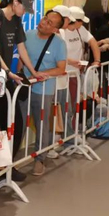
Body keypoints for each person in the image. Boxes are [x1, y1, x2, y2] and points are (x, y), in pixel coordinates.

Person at [0, 0, 37, 177]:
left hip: (6, 78)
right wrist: (7, 71)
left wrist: (34, 72)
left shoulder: (16, 21)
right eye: (24, 8)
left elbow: (21, 47)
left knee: (16, 124)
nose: (24, 12)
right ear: (15, 3)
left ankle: (7, 166)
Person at [23, 10, 67, 176]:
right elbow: (21, 59)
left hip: (43, 90)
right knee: (19, 122)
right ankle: (10, 161)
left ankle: (40, 159)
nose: (43, 22)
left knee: (42, 124)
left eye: (49, 23)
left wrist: (41, 74)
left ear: (55, 29)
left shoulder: (59, 44)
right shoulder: (28, 35)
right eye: (45, 18)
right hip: (24, 87)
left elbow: (61, 68)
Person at [61, 6, 101, 140]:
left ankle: (71, 133)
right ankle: (64, 135)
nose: (83, 24)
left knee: (74, 105)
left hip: (75, 75)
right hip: (63, 74)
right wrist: (71, 61)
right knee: (64, 107)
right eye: (81, 21)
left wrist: (97, 60)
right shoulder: (61, 32)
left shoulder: (80, 30)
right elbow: (57, 54)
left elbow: (93, 42)